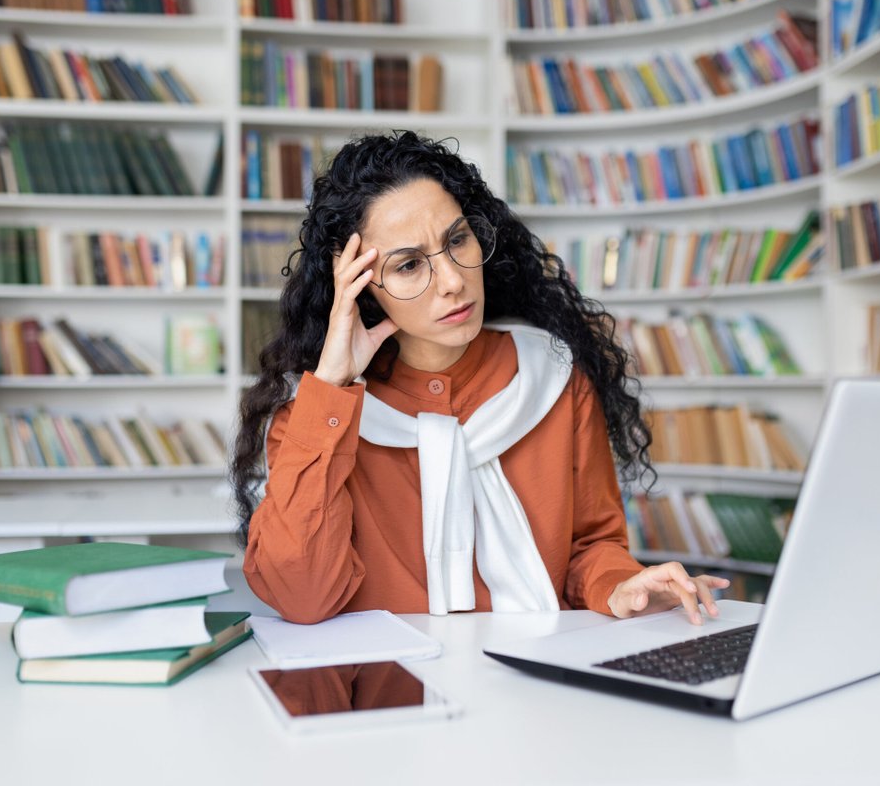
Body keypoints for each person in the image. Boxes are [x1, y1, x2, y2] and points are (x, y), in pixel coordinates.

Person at [231, 131, 728, 625]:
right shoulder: (313, 414)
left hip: (532, 680)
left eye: (457, 240)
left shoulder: (552, 375)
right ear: (361, 289)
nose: (453, 281)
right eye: (407, 265)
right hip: (386, 691)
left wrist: (621, 586)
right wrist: (334, 384)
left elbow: (590, 545)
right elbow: (302, 596)